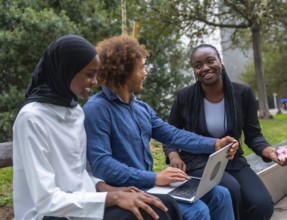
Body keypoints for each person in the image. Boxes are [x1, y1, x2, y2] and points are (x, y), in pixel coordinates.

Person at [13, 34, 182, 220]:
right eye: (89, 74)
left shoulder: (74, 110)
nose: (95, 81)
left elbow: (79, 171)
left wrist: (104, 187)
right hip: (50, 214)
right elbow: (46, 200)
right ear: (66, 70)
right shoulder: (32, 118)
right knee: (149, 213)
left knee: (165, 205)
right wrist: (111, 197)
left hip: (84, 203)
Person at [83, 34, 237, 220]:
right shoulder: (96, 109)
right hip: (128, 190)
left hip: (152, 184)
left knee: (221, 195)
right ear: (125, 72)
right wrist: (155, 178)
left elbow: (173, 135)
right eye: (141, 68)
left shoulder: (141, 108)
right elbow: (102, 165)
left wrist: (215, 144)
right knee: (198, 211)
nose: (146, 73)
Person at [163, 43, 287, 220]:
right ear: (194, 71)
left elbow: (253, 136)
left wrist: (272, 152)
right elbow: (169, 134)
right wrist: (174, 155)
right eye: (198, 66)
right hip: (198, 162)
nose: (205, 68)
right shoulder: (184, 96)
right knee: (231, 189)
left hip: (232, 160)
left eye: (210, 61)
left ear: (220, 62)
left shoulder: (242, 93)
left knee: (262, 204)